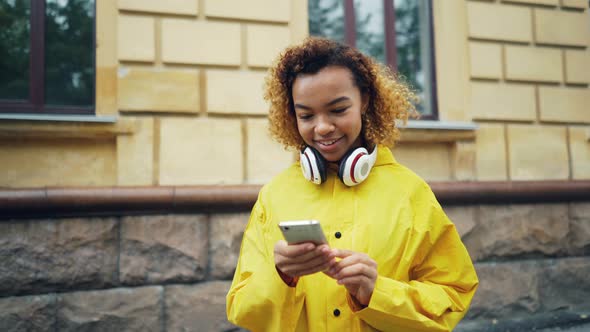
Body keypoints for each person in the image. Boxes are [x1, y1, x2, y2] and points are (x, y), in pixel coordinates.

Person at [226, 37, 478, 331]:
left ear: (365, 100)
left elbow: (453, 293)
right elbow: (242, 309)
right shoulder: (273, 196)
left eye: (337, 110)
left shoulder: (411, 193)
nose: (321, 127)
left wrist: (376, 292)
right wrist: (279, 275)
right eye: (306, 115)